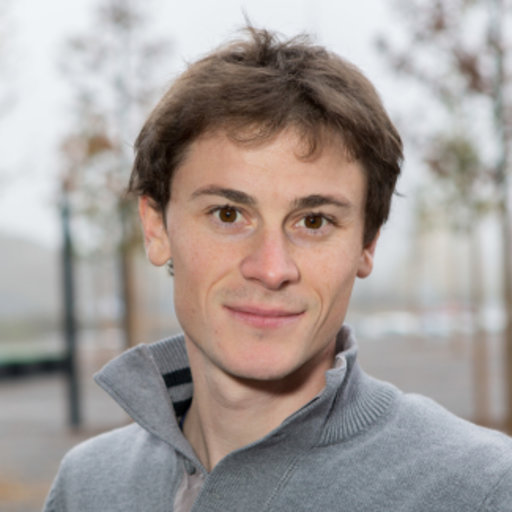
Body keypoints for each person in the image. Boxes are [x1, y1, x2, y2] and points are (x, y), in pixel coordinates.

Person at [44, 27, 512, 512]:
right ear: (156, 228)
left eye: (314, 221)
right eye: (228, 214)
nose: (271, 269)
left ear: (367, 243)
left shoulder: (482, 490)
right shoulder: (89, 485)